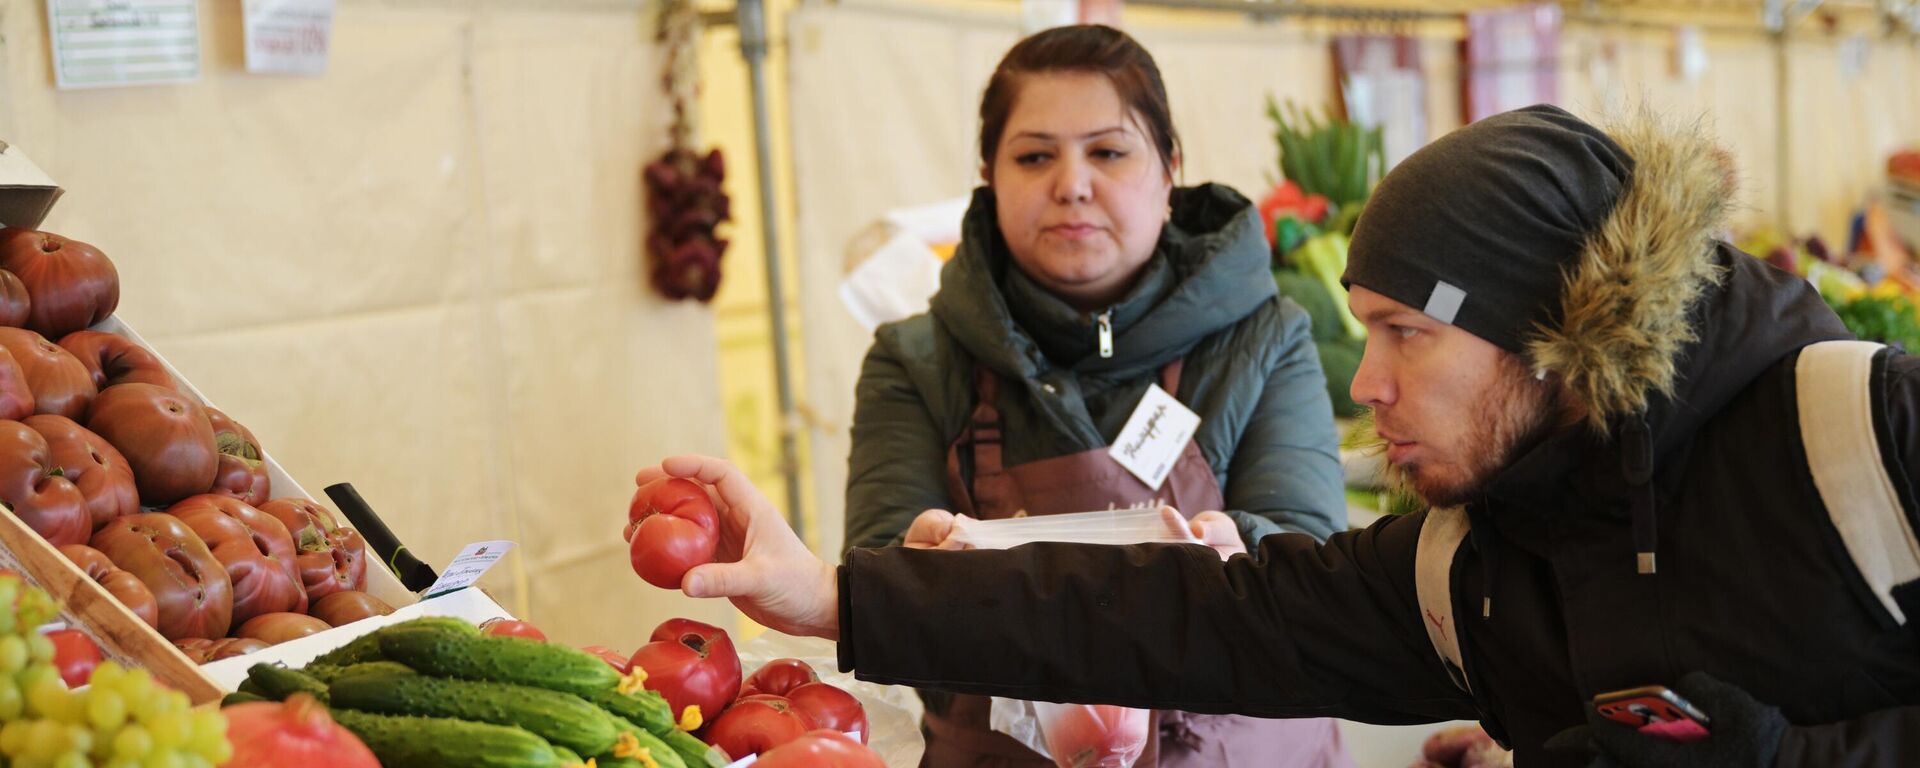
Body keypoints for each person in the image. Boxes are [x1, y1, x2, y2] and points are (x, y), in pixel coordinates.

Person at [641, 104, 1920, 768]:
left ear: (1547, 327)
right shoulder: (1462, 570)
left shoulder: (1867, 435)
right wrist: (841, 597)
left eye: (1405, 332)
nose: (1364, 382)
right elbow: (1180, 615)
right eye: (1360, 329)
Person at [841, 24, 1348, 767]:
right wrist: (906, 583)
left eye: (1108, 151)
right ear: (989, 174)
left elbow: (1307, 573)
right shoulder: (914, 359)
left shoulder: (1267, 338)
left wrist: (982, 589)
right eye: (1035, 155)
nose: (1072, 183)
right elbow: (886, 595)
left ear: (1170, 167)